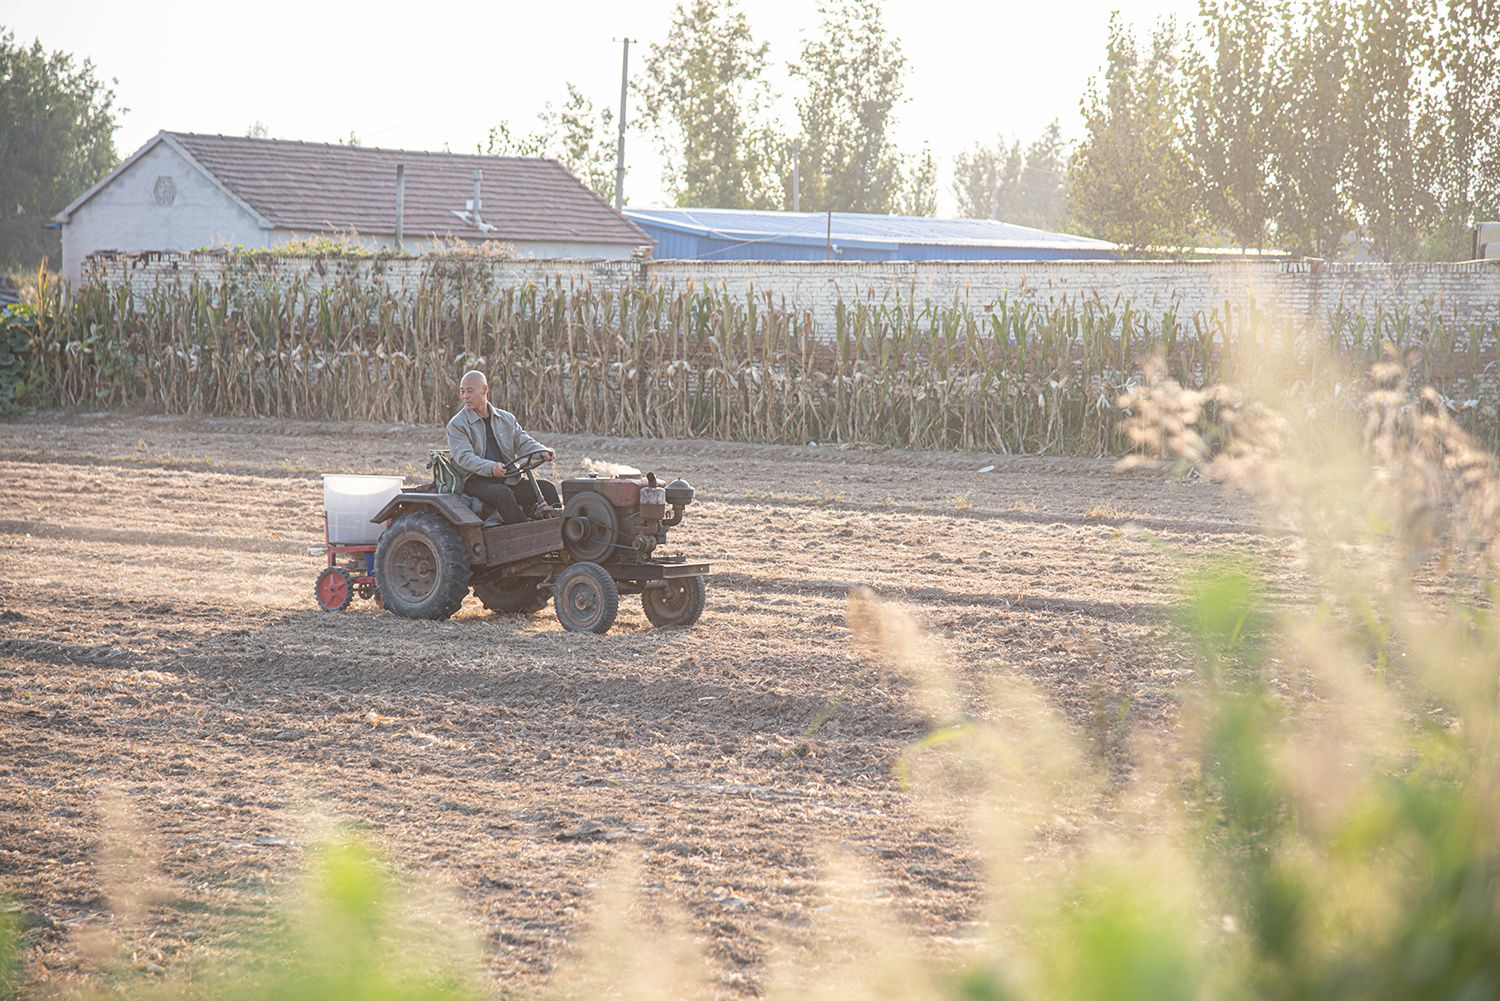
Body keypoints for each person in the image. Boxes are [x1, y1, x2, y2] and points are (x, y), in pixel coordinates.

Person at [446, 370, 560, 525]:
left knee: (547, 488)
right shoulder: (457, 424)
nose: (465, 396)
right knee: (503, 494)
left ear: (485, 389)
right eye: (462, 391)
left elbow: (523, 441)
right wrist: (491, 467)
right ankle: (526, 534)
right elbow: (465, 458)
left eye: (470, 391)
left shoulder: (506, 419)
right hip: (476, 481)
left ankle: (560, 532)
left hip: (508, 478)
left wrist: (542, 451)